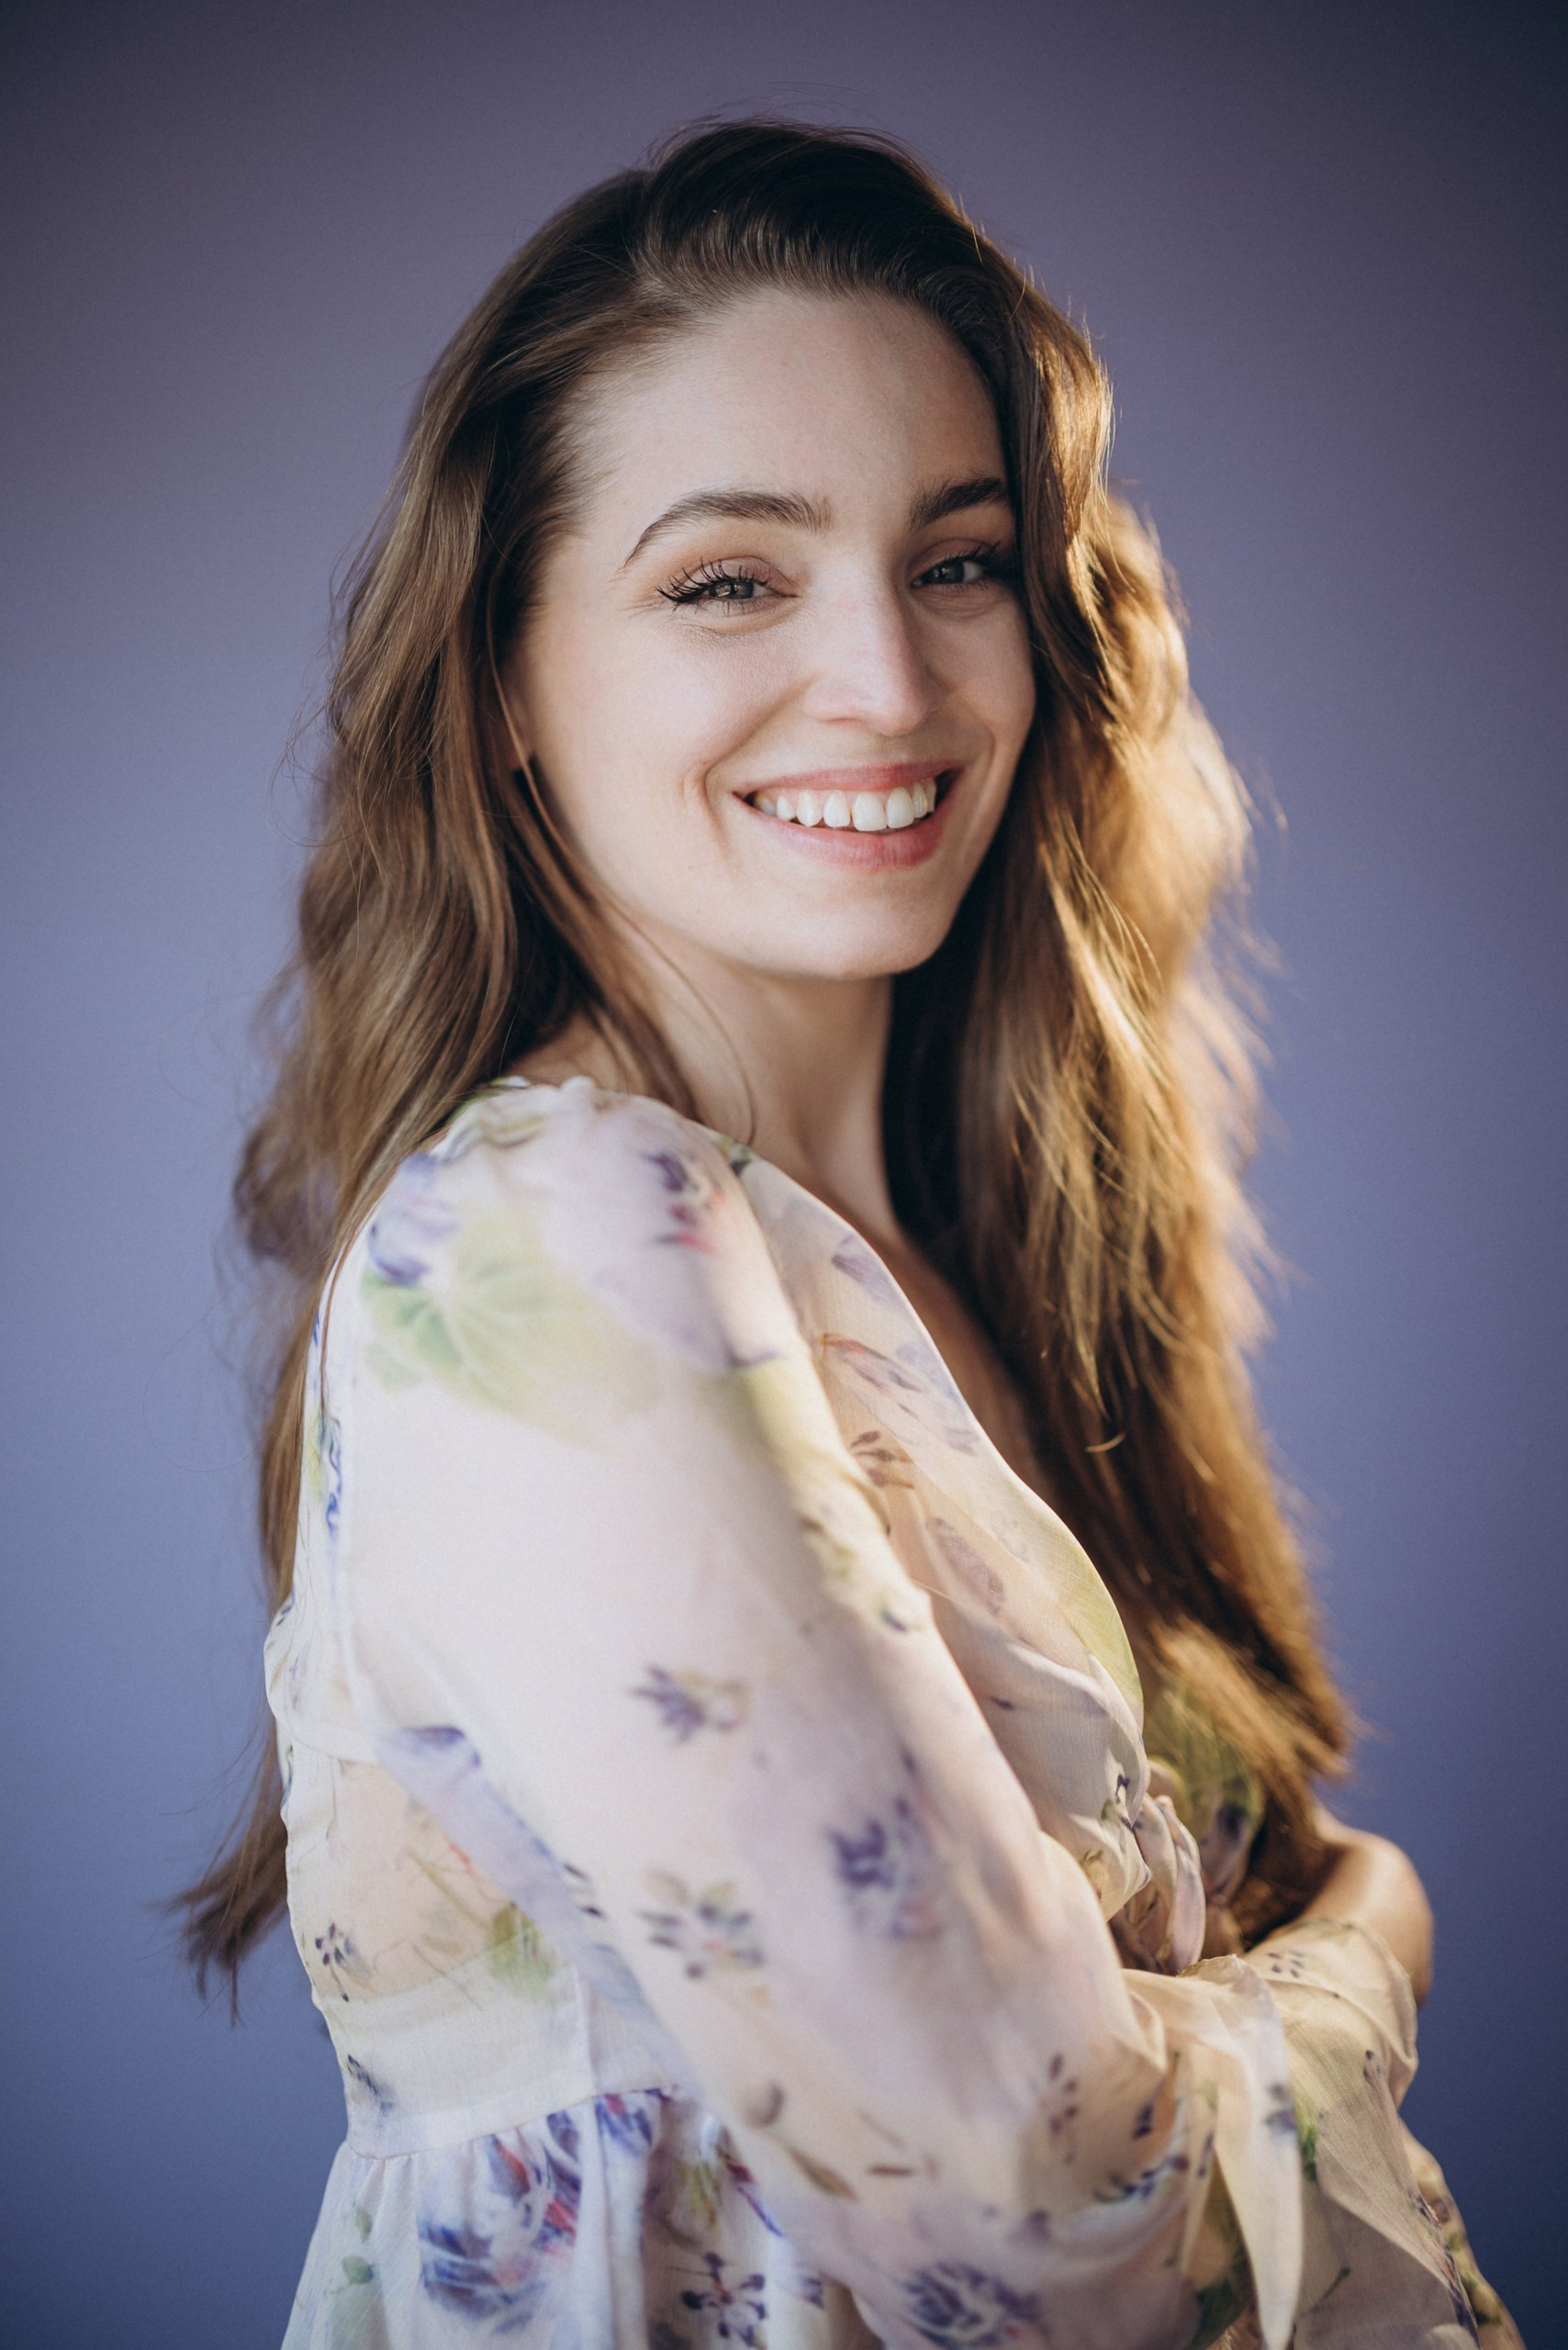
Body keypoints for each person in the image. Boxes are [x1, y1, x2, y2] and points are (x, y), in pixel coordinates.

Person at [182, 122, 1519, 2348]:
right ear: (506, 683)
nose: (888, 688)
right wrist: (1368, 1944)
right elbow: (1033, 2223)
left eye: (959, 561)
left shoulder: (982, 1255)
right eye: (730, 579)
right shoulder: (550, 1243)